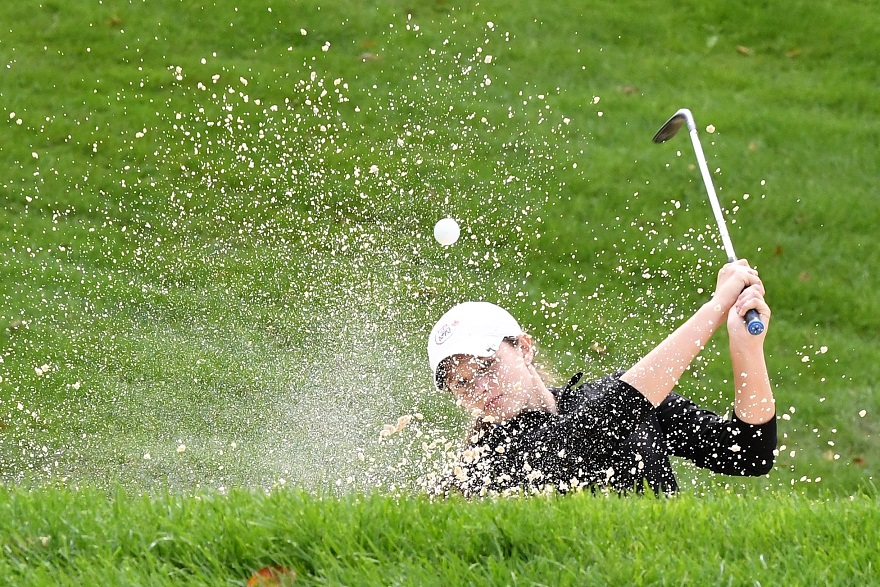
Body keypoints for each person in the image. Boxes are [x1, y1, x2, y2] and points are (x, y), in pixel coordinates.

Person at [425, 260, 776, 497]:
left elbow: (748, 454)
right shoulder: (487, 461)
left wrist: (746, 348)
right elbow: (596, 428)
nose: (481, 389)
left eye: (486, 366)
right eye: (462, 383)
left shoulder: (611, 397)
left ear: (524, 348)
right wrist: (715, 307)